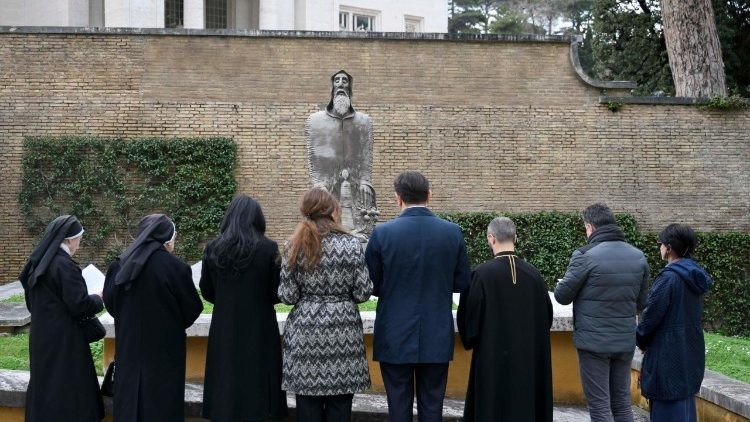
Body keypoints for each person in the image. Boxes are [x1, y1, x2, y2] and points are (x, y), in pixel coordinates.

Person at [365, 171, 471, 422]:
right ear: (429, 196)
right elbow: (461, 282)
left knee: (398, 406)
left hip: (394, 332)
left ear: (398, 198)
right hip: (436, 332)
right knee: (432, 406)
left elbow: (371, 284)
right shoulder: (452, 232)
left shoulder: (382, 234)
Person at [278, 188, 372, 422]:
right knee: (340, 404)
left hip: (305, 333)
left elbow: (287, 296)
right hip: (343, 333)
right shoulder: (351, 244)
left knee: (307, 404)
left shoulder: (294, 245)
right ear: (332, 211)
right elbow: (363, 292)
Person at [554, 203, 649, 422]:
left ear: (590, 227)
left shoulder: (584, 255)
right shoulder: (638, 256)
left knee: (599, 405)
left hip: (593, 343)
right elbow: (642, 302)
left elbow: (562, 296)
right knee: (622, 404)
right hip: (624, 341)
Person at [103, 214, 202, 421]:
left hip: (129, 353)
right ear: (166, 239)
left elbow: (112, 305)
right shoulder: (176, 268)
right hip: (164, 358)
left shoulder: (119, 265)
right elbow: (192, 309)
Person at [200, 195, 288, 421]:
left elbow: (207, 290)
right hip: (260, 327)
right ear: (257, 219)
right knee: (260, 376)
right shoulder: (268, 248)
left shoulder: (213, 248)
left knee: (225, 374)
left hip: (224, 326)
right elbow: (276, 291)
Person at [457, 216, 553, 422]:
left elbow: (469, 322)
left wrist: (471, 339)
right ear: (515, 238)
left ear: (491, 239)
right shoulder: (535, 276)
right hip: (529, 360)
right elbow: (547, 318)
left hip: (491, 361)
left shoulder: (481, 275)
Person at [19, 215, 104, 422]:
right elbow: (79, 305)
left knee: (47, 383)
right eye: (79, 239)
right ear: (69, 239)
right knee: (68, 387)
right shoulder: (63, 265)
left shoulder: (38, 263)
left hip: (42, 336)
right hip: (65, 339)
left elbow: (32, 301)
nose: (79, 244)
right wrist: (99, 298)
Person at [636, 224, 712, 422]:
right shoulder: (694, 276)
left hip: (667, 358)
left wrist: (642, 341)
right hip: (690, 353)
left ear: (669, 248)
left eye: (660, 244)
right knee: (685, 411)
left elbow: (650, 318)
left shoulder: (669, 278)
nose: (659, 248)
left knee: (667, 411)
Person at [305, 69, 377, 235]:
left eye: (345, 81)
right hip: (328, 185)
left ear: (350, 87)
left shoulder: (364, 121)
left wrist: (365, 181)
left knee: (362, 223)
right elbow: (314, 160)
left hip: (356, 188)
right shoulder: (315, 121)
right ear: (332, 86)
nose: (340, 84)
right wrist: (319, 185)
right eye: (337, 80)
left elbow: (367, 157)